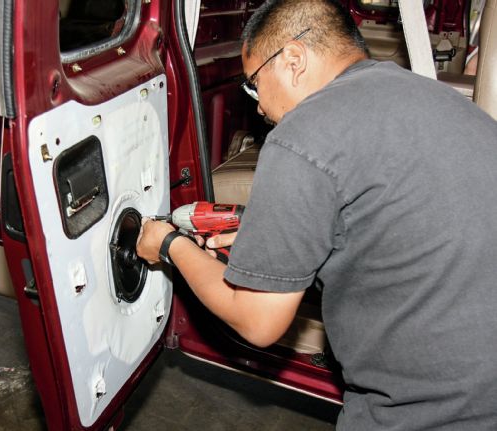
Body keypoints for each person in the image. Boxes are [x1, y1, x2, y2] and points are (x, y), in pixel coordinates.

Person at [136, 0, 497, 429]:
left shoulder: (302, 136)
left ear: (293, 59)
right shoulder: (429, 95)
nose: (257, 106)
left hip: (434, 411)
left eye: (253, 84)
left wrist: (169, 245)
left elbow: (258, 322)